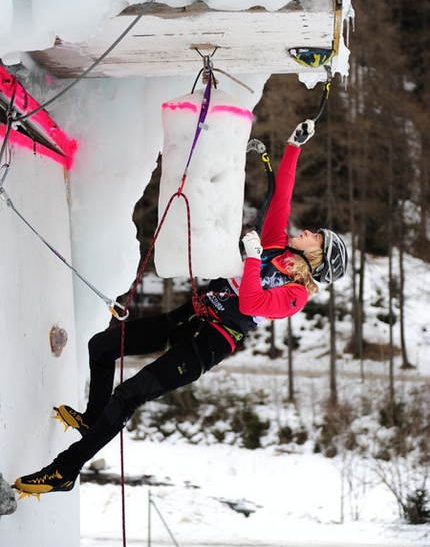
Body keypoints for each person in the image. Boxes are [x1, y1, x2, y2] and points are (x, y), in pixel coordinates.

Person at [13, 119, 348, 496]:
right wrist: (293, 147)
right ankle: (92, 420)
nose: (307, 231)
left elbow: (253, 301)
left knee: (127, 396)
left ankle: (64, 471)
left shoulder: (294, 295)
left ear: (317, 257)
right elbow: (281, 197)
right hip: (187, 318)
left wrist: (252, 260)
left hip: (205, 346)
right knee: (101, 347)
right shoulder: (275, 247)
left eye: (315, 236)